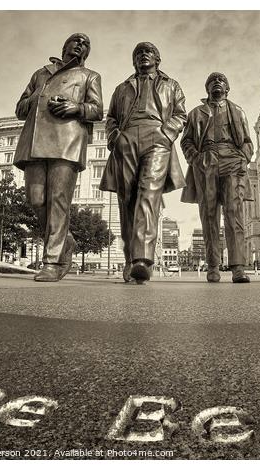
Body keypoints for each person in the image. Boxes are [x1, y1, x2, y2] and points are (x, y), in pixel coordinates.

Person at [14, 33, 103, 282]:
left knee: (58, 200)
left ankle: (52, 262)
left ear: (87, 53)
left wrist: (76, 108)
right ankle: (66, 240)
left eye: (86, 43)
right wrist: (37, 96)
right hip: (35, 141)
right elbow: (20, 109)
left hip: (67, 141)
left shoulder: (89, 76)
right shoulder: (40, 73)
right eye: (76, 40)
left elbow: (97, 109)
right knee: (35, 199)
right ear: (65, 46)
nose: (80, 45)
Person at [100, 42, 186, 284]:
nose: (143, 56)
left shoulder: (172, 85)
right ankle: (130, 259)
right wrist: (115, 137)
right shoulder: (121, 88)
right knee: (126, 198)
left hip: (157, 136)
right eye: (138, 53)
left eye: (148, 52)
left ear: (157, 59)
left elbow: (181, 114)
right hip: (127, 138)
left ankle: (143, 260)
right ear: (133, 61)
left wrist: (167, 133)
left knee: (149, 193)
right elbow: (111, 118)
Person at [181, 73, 253, 283]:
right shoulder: (195, 113)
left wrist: (244, 158)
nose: (217, 83)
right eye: (212, 81)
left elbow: (247, 141)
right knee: (209, 215)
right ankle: (213, 266)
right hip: (206, 162)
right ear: (207, 89)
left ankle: (238, 267)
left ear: (227, 88)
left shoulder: (237, 111)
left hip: (232, 158)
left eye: (221, 80)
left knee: (234, 213)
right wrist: (196, 158)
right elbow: (186, 142)